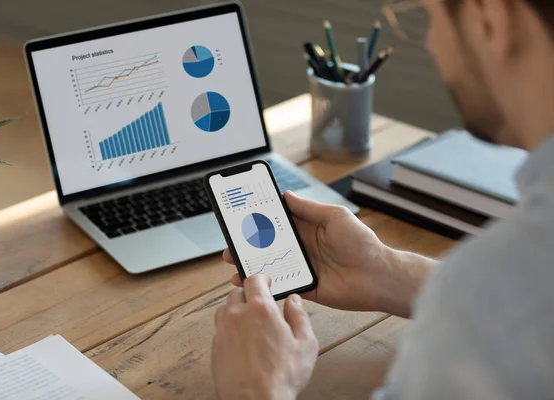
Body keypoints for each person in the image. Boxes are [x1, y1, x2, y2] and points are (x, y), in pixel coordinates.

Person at [211, 0, 554, 398]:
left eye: (430, 16)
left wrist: (256, 389)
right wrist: (383, 270)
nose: (431, 43)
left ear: (489, 17)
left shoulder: (497, 292)